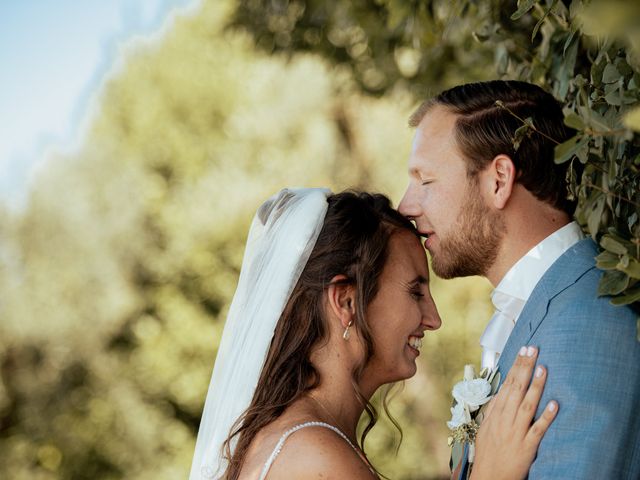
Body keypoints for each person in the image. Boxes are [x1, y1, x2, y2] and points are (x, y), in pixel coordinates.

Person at [189, 188, 558, 480]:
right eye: (415, 291)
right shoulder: (315, 458)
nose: (434, 319)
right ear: (346, 301)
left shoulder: (294, 439)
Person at [399, 80, 640, 479]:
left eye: (425, 181)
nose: (406, 205)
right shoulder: (542, 308)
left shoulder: (586, 325)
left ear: (498, 180)